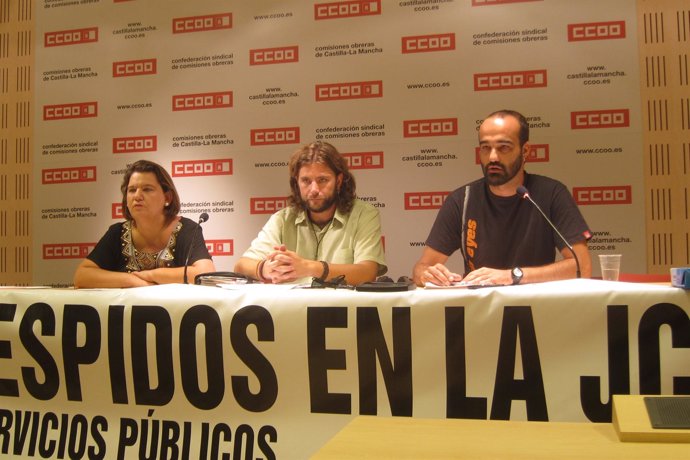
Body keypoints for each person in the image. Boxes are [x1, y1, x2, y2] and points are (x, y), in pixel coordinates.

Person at [413, 109, 592, 287]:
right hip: (478, 309)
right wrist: (428, 274)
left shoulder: (551, 193)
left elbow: (581, 267)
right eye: (485, 148)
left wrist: (513, 275)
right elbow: (421, 268)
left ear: (525, 150)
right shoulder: (462, 200)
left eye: (503, 147)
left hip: (537, 308)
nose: (492, 157)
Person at [234, 141, 387, 285]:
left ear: (339, 181)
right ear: (297, 183)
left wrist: (308, 267)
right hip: (292, 310)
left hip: (341, 310)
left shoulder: (363, 214)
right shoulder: (282, 219)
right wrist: (266, 268)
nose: (314, 189)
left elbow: (367, 272)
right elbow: (241, 266)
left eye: (322, 180)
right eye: (306, 181)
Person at [73, 160, 215, 288]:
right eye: (132, 190)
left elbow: (205, 273)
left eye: (147, 189)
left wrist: (151, 275)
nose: (137, 196)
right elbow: (82, 276)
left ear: (167, 197)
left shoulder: (187, 229)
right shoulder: (117, 233)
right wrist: (132, 280)